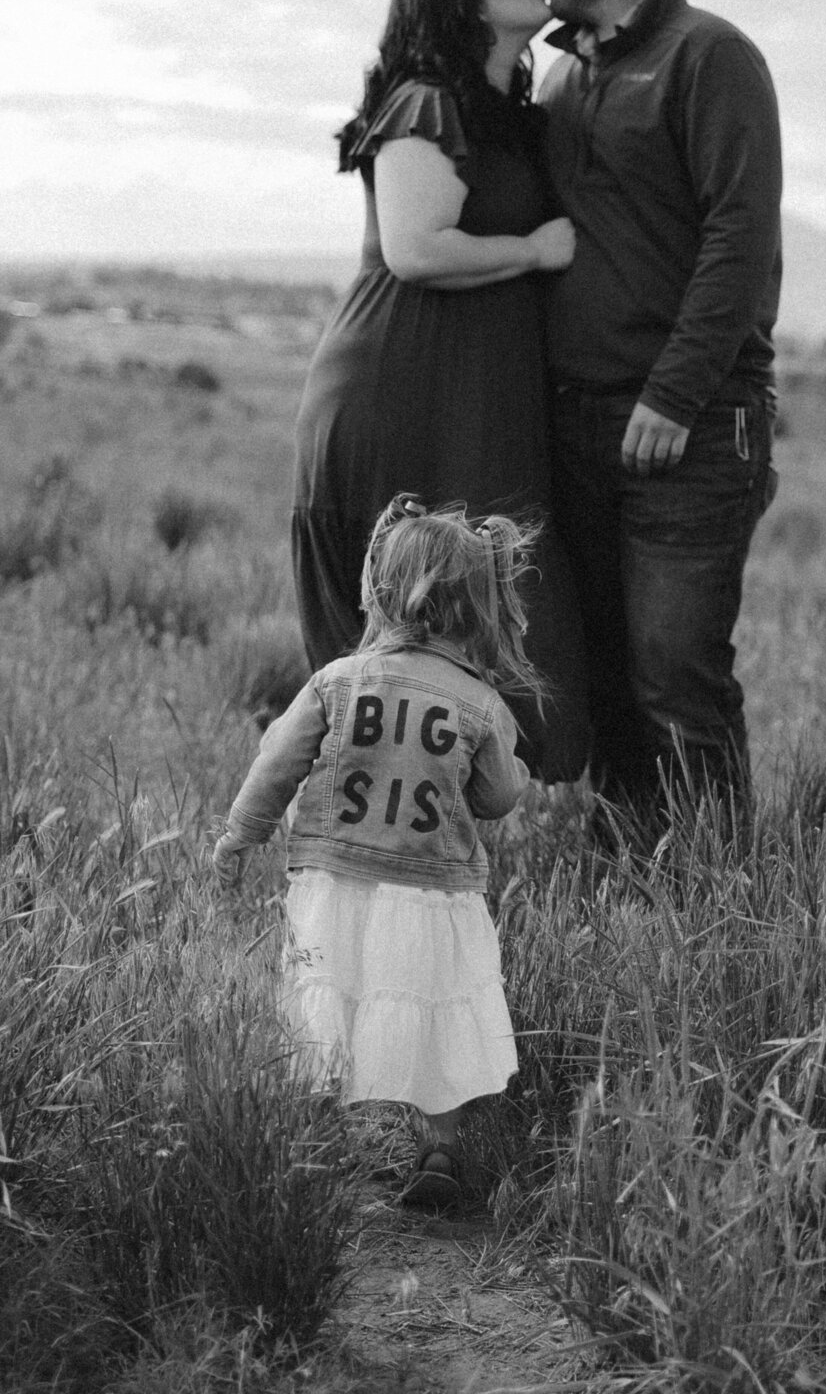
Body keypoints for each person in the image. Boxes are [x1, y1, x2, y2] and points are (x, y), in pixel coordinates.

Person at [494, 0, 782, 840]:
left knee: (676, 680)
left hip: (688, 431)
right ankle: (631, 875)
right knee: (605, 673)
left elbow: (740, 240)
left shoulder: (711, 55)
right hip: (578, 422)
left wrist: (675, 395)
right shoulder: (564, 68)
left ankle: (715, 903)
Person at [292, 0, 588, 780]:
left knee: (500, 588)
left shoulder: (510, 118)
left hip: (479, 388)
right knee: (409, 609)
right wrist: (533, 251)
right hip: (404, 379)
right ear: (461, 0)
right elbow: (415, 248)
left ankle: (461, 810)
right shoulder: (424, 98)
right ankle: (368, 828)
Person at [213, 495, 539, 1209]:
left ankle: (308, 1146)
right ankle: (440, 1150)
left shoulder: (336, 681)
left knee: (321, 1008)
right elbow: (495, 799)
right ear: (478, 604)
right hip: (430, 892)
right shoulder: (481, 704)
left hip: (332, 880)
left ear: (383, 591)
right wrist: (513, 769)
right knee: (429, 1014)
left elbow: (276, 764)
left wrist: (242, 833)